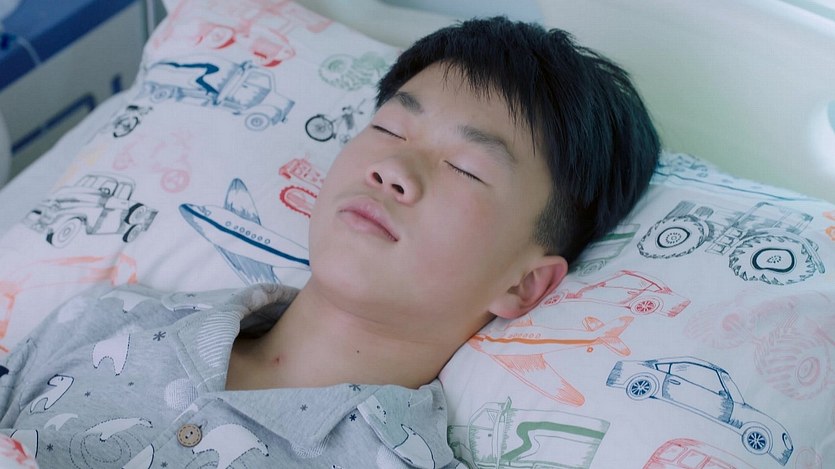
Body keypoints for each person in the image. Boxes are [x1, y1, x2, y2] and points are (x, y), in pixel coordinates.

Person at [0, 16, 659, 469]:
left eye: (465, 167)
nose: (393, 169)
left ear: (524, 283)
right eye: (389, 130)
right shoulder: (108, 322)